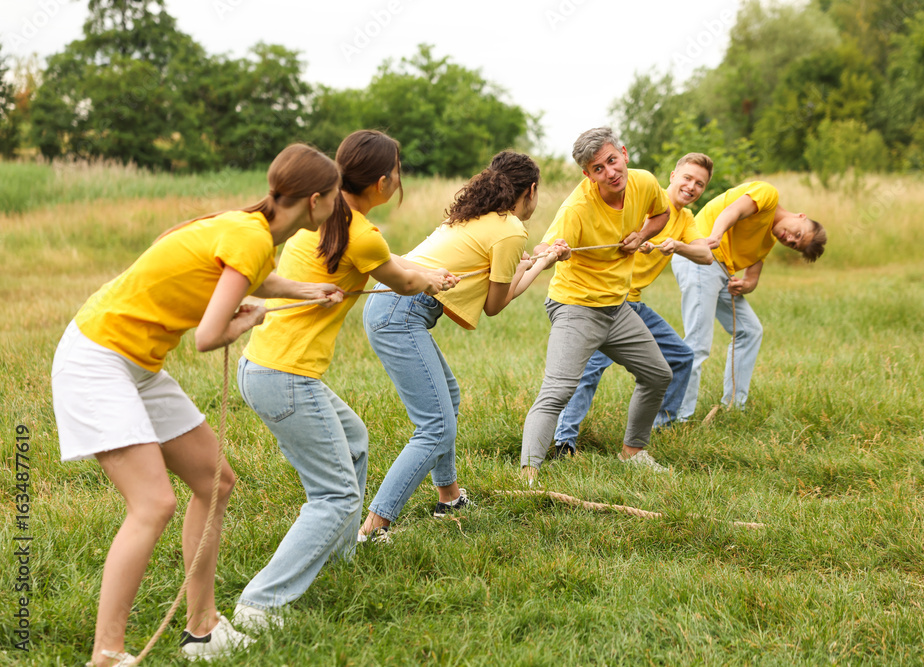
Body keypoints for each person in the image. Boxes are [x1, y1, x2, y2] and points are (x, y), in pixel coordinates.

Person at [51, 144, 345, 667]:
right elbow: (209, 336)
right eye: (336, 195)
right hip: (98, 358)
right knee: (153, 504)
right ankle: (106, 655)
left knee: (215, 483)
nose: (338, 204)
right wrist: (250, 319)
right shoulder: (252, 237)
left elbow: (252, 277)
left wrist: (306, 290)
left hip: (138, 362)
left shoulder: (253, 231)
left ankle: (202, 630)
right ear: (316, 200)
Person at [231, 130, 454, 631]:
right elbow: (402, 280)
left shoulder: (327, 220)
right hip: (286, 377)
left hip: (263, 367)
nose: (399, 179)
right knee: (335, 497)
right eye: (397, 171)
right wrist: (433, 279)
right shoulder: (360, 233)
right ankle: (260, 605)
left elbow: (392, 265)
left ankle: (339, 559)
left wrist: (426, 271)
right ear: (381, 182)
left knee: (354, 441)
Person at [360, 150, 556, 541]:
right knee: (435, 425)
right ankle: (374, 527)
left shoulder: (475, 215)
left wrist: (525, 264)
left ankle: (449, 498)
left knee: (447, 398)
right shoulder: (511, 228)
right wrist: (539, 265)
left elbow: (488, 275)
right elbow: (495, 304)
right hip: (400, 312)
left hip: (389, 303)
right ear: (531, 190)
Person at [519, 127, 674, 479]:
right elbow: (544, 247)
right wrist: (553, 251)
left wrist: (642, 234)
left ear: (624, 153)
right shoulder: (577, 208)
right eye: (598, 169)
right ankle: (528, 475)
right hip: (575, 306)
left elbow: (661, 214)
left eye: (612, 161)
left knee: (658, 375)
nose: (610, 172)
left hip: (616, 308)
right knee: (558, 391)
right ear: (587, 175)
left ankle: (633, 452)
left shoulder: (644, 182)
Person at [551, 153, 716, 456]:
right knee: (590, 369)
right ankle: (564, 442)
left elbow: (706, 255)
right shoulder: (641, 198)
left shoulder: (685, 219)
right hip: (608, 301)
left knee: (681, 356)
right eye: (687, 178)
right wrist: (639, 237)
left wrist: (678, 246)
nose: (692, 187)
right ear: (673, 176)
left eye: (700, 184)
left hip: (635, 303)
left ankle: (661, 426)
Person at [672, 181, 827, 418]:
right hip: (700, 256)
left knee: (750, 330)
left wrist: (746, 285)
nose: (790, 239)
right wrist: (716, 235)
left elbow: (752, 277)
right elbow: (732, 211)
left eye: (794, 245)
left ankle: (734, 407)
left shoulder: (769, 239)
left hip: (720, 270)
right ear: (801, 216)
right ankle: (678, 416)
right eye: (797, 234)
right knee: (698, 341)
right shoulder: (767, 194)